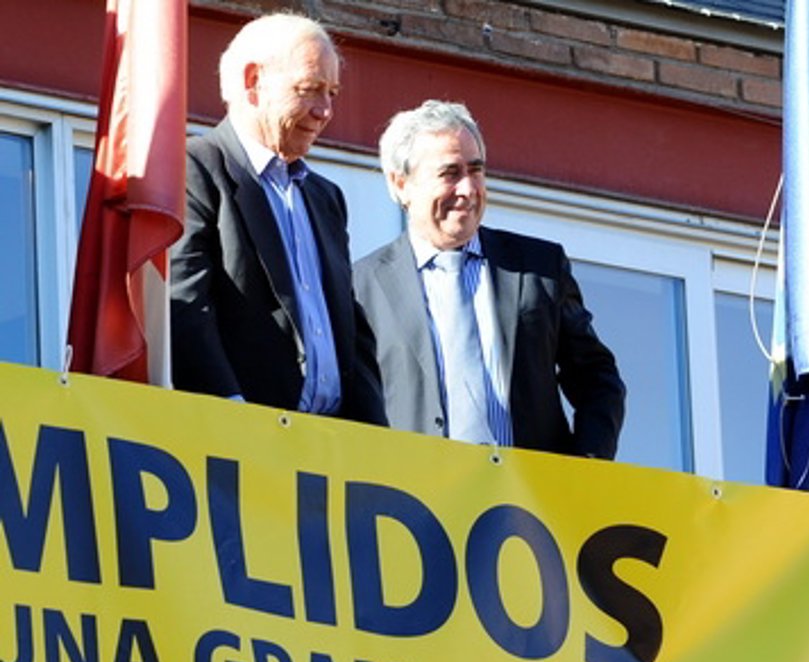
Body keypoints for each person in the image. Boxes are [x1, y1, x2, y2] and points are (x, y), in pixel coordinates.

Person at [353, 100, 625, 458]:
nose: (468, 189)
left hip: (527, 489)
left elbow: (597, 378)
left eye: (476, 170)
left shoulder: (539, 268)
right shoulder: (362, 287)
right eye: (450, 173)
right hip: (417, 489)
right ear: (401, 184)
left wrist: (584, 469)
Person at [169, 13, 386, 425]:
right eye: (309, 90)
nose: (325, 111)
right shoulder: (193, 170)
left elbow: (350, 332)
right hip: (241, 439)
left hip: (330, 444)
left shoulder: (325, 198)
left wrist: (374, 438)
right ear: (253, 82)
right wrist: (234, 419)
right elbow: (185, 308)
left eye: (332, 93)